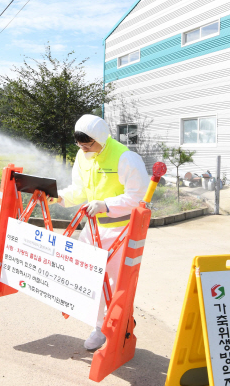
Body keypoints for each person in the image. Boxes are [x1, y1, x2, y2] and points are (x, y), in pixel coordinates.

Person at [52, 114, 150, 351]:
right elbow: (80, 189)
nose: (84, 149)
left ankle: (110, 327)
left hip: (121, 229)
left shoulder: (126, 158)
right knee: (89, 277)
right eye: (80, 145)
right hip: (94, 228)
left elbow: (138, 197)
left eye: (89, 144)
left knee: (115, 284)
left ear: (102, 139)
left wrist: (107, 205)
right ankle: (99, 326)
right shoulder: (82, 156)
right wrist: (61, 197)